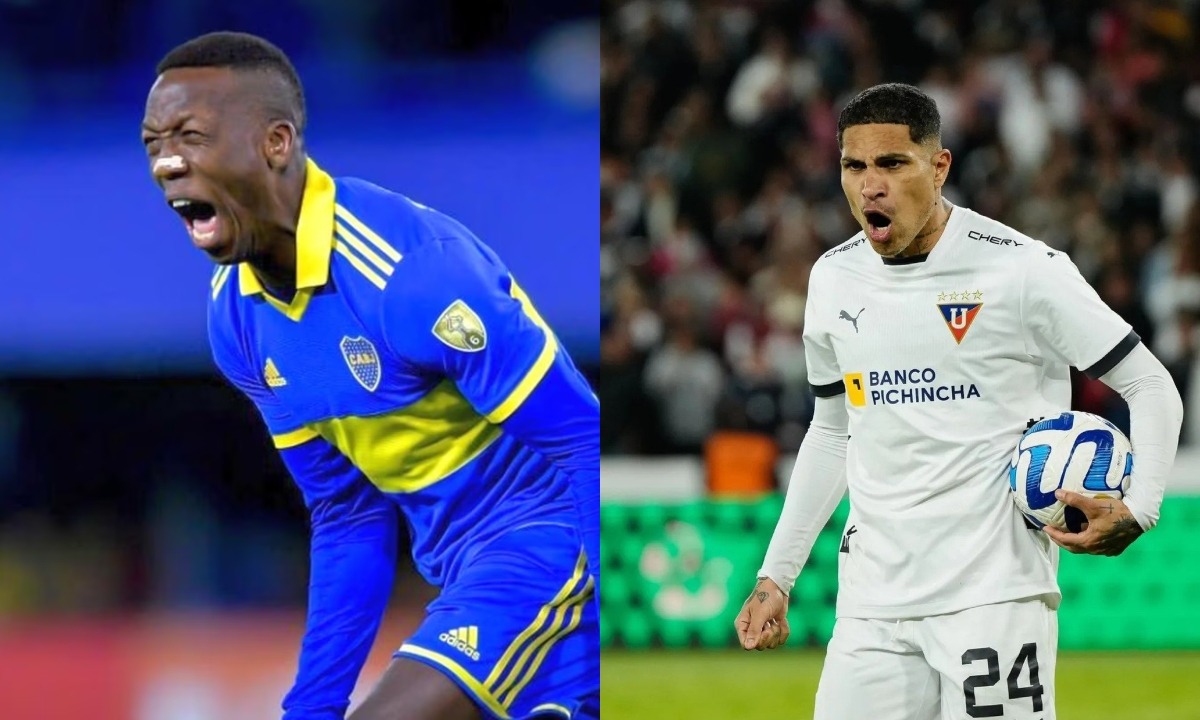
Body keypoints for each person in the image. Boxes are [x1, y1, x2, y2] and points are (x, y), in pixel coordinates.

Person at [141, 31, 599, 720]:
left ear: (276, 143)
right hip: (466, 575)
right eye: (153, 143)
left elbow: (583, 439)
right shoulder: (236, 318)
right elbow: (348, 515)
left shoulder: (411, 275)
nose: (166, 164)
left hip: (552, 547)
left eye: (191, 136)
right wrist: (311, 708)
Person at [733, 83, 1183, 719]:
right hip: (872, 603)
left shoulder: (1022, 270)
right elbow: (833, 432)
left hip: (994, 596)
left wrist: (1140, 509)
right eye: (853, 166)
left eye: (892, 163)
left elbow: (1150, 384)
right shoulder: (832, 278)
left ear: (939, 166)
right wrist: (776, 575)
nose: (870, 187)